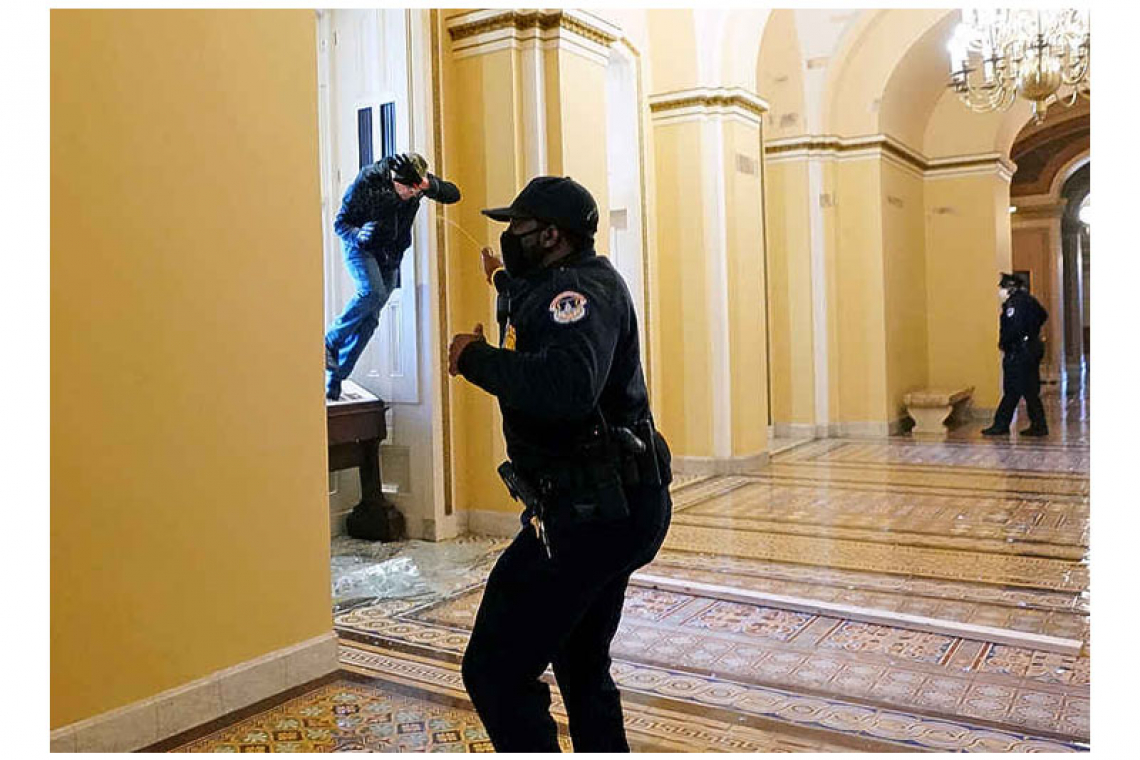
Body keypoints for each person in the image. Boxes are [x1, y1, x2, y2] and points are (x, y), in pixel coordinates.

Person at [447, 176, 673, 752]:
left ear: (550, 235)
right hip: (614, 505)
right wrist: (499, 275)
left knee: (494, 670)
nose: (508, 235)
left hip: (591, 512)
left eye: (517, 228)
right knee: (580, 660)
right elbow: (536, 306)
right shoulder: (567, 281)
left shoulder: (577, 295)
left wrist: (475, 358)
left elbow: (568, 386)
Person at [325, 152, 460, 400]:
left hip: (390, 255)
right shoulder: (368, 181)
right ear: (393, 179)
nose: (411, 194)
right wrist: (358, 235)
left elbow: (454, 194)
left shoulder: (418, 183)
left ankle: (336, 377)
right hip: (361, 247)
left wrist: (428, 185)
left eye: (415, 190)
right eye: (407, 188)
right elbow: (340, 224)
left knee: (370, 320)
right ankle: (329, 341)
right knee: (372, 292)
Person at [982, 272, 1050, 436]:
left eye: (1003, 288)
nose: (1001, 292)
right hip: (1032, 348)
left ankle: (1001, 424)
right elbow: (1043, 315)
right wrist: (1032, 331)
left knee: (1012, 389)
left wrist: (1005, 344)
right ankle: (1039, 425)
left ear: (1010, 287)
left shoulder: (1013, 304)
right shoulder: (1029, 300)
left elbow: (1013, 328)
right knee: (1030, 390)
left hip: (1019, 351)